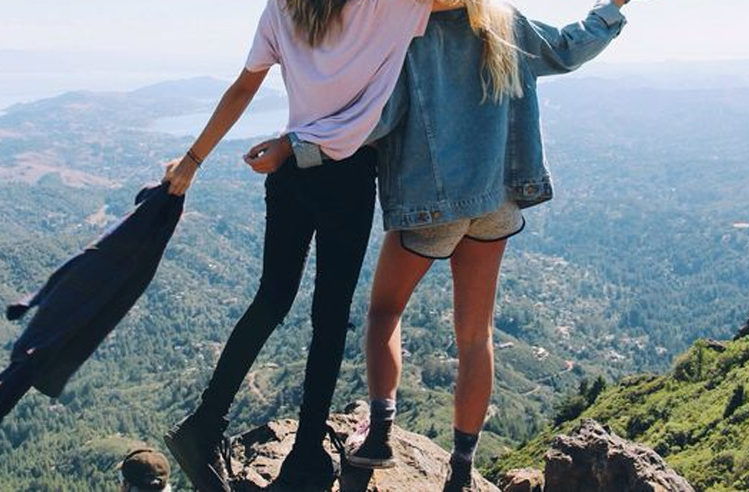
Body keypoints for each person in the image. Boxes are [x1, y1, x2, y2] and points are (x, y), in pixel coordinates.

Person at [248, 0, 630, 490]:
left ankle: (379, 437)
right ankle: (462, 469)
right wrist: (611, 8)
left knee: (384, 312)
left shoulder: (406, 32)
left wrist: (295, 147)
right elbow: (568, 49)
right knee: (476, 335)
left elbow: (375, 119)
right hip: (496, 200)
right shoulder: (506, 22)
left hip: (431, 204)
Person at [161, 0, 459, 490]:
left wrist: (192, 161)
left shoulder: (282, 7)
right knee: (330, 318)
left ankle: (205, 423)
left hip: (290, 170)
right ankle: (304, 457)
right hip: (347, 176)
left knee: (271, 299)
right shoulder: (390, 6)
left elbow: (243, 87)